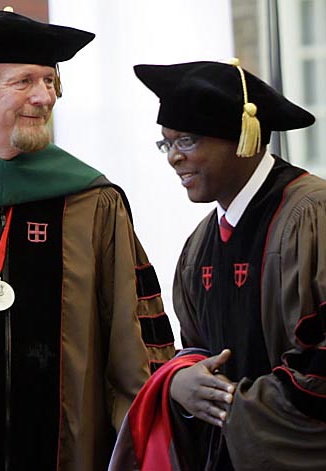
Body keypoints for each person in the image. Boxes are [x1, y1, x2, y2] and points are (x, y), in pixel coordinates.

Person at [0, 9, 175, 471]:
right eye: (25, 81)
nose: (44, 96)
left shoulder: (92, 200)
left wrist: (140, 435)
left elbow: (133, 334)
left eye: (50, 82)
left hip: (69, 448)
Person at [109, 59, 326, 471]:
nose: (173, 158)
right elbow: (197, 346)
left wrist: (232, 407)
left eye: (186, 141)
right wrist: (182, 381)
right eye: (166, 143)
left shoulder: (314, 216)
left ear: (242, 139)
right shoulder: (200, 245)